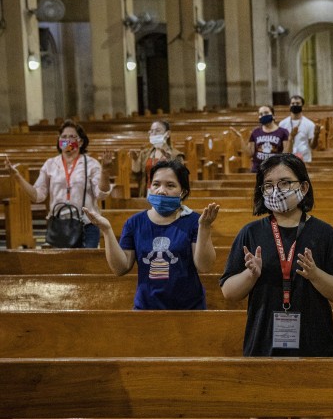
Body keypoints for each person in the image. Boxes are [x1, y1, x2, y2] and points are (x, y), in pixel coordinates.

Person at [220, 154, 333, 357]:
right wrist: (251, 275)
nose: (276, 191)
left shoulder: (326, 234)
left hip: (314, 345)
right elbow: (229, 293)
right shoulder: (250, 233)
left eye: (284, 183)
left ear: (303, 187)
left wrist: (316, 275)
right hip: (262, 343)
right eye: (268, 185)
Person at [83, 159, 218, 310]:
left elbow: (204, 266)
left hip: (188, 309)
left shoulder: (194, 221)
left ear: (183, 192)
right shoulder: (135, 223)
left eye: (170, 185)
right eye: (156, 184)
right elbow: (120, 268)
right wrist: (107, 230)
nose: (161, 190)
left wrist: (205, 228)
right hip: (146, 308)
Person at [3, 119, 114, 248]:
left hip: (86, 226)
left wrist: (105, 171)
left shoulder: (91, 164)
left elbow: (101, 194)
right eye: (64, 137)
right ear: (59, 140)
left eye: (72, 137)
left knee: (85, 266)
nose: (67, 140)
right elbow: (37, 196)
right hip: (59, 225)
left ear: (81, 142)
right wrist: (17, 176)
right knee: (60, 266)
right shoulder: (51, 164)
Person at [130, 119, 185, 197]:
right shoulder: (145, 153)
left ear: (168, 134)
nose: (154, 134)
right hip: (148, 192)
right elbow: (137, 175)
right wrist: (135, 160)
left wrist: (169, 163)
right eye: (151, 131)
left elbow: (181, 178)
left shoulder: (176, 155)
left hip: (167, 194)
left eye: (157, 131)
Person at [248, 105, 290, 173]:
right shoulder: (255, 132)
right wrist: (241, 138)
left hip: (276, 169)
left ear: (273, 115)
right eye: (261, 114)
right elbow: (250, 153)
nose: (263, 115)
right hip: (258, 169)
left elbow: (286, 153)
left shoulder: (283, 132)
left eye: (266, 113)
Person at [279, 95, 316, 163]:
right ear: (289, 105)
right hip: (287, 159)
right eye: (293, 103)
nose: (295, 105)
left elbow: (312, 145)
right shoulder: (282, 124)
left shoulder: (309, 124)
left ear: (302, 106)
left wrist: (316, 134)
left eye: (298, 103)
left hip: (304, 159)